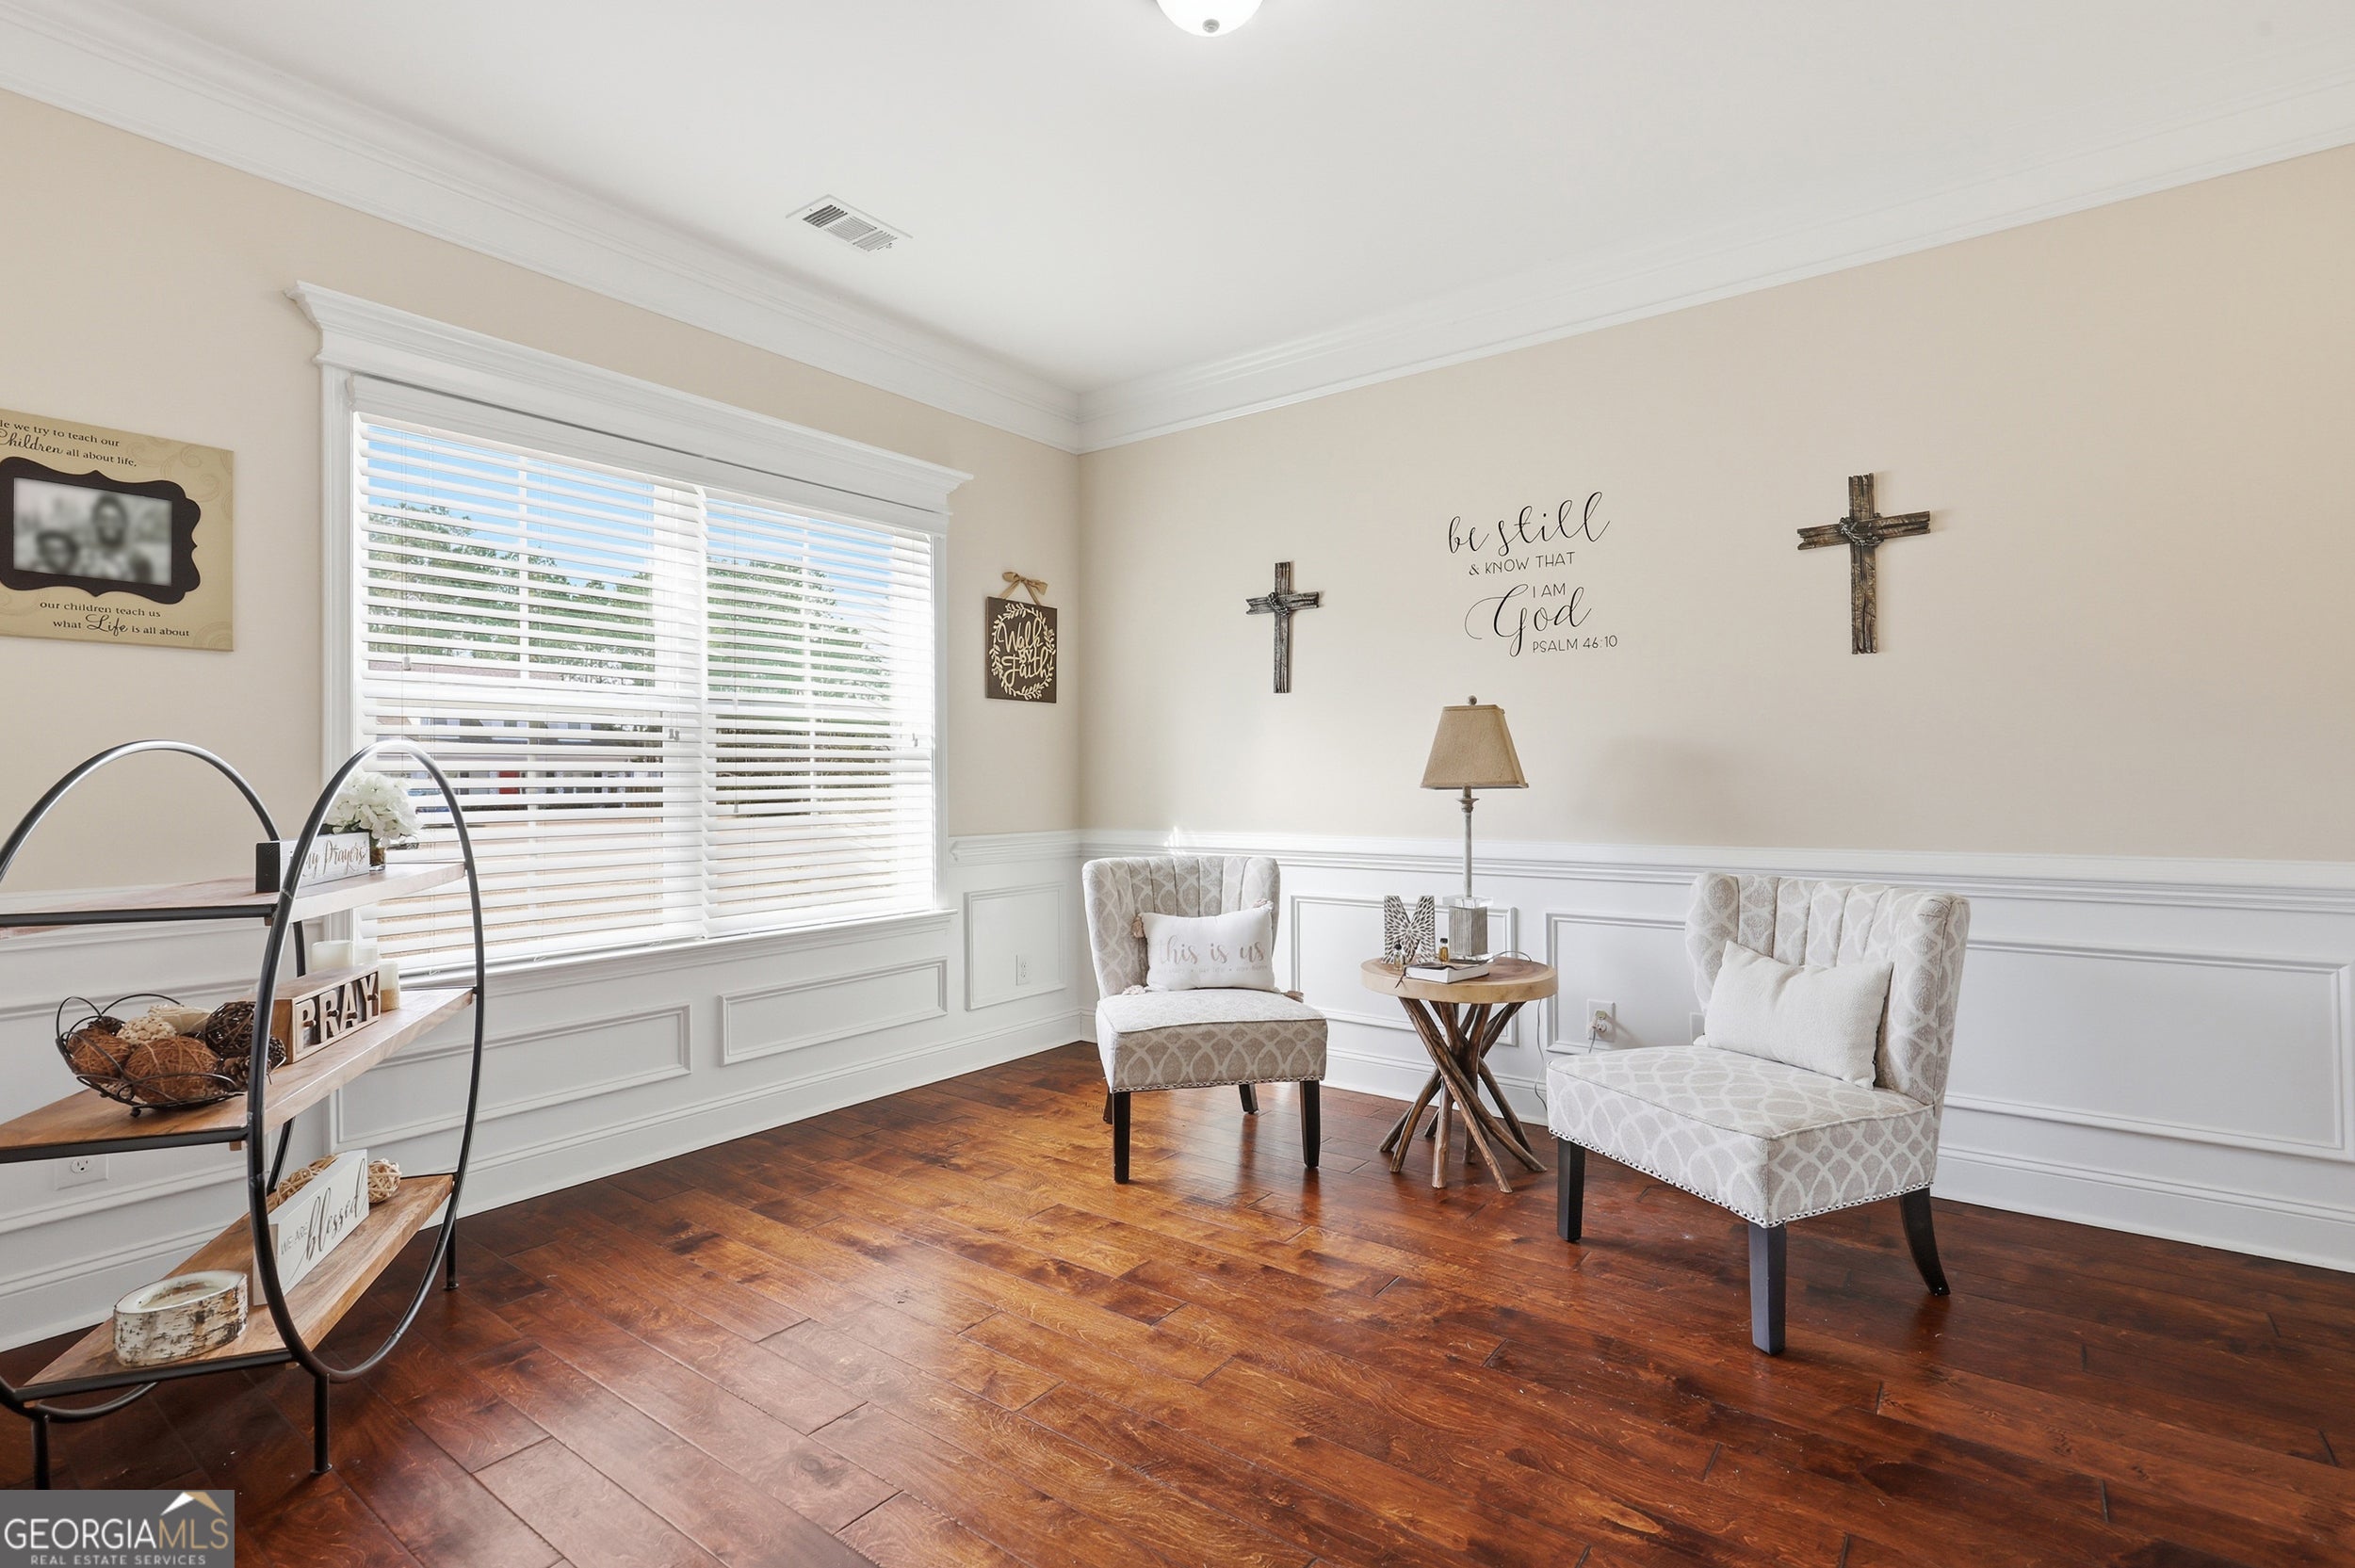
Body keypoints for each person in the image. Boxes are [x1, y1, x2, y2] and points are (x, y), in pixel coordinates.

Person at [80, 494, 153, 582]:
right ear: (96, 522)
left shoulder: (138, 560)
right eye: (104, 519)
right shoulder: (85, 559)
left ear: (123, 523)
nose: (109, 524)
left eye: (115, 519)